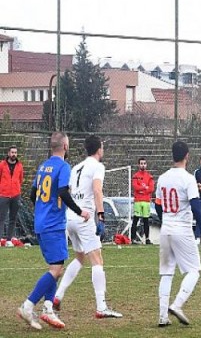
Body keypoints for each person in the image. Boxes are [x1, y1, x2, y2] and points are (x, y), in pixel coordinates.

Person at [18, 132, 90, 330]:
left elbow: (33, 194)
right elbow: (62, 192)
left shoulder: (43, 167)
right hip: (53, 224)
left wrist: (43, 209)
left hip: (41, 223)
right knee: (56, 269)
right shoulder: (63, 167)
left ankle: (48, 308)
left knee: (56, 268)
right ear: (65, 147)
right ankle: (29, 304)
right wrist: (80, 211)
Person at [54, 135, 123, 319]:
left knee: (79, 257)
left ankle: (58, 295)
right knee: (97, 260)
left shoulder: (76, 167)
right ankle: (101, 307)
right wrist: (101, 215)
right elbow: (97, 190)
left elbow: (67, 192)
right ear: (99, 148)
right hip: (84, 218)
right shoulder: (97, 166)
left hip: (70, 216)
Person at [155, 141, 201, 327]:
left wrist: (166, 219)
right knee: (194, 270)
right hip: (182, 229)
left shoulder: (162, 178)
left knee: (166, 273)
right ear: (187, 156)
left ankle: (162, 316)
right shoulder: (188, 179)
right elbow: (196, 207)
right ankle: (177, 304)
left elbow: (157, 204)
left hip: (166, 229)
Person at [0, 145, 23, 240]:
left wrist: (16, 189)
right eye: (12, 152)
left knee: (13, 219)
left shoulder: (20, 165)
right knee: (1, 218)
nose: (14, 154)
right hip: (3, 195)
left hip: (15, 195)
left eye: (15, 152)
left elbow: (20, 179)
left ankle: (9, 239)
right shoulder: (2, 165)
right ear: (8, 153)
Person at [132, 157, 154, 244]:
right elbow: (135, 187)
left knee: (146, 221)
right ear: (139, 164)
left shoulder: (149, 176)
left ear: (146, 164)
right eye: (141, 163)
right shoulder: (135, 176)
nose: (143, 165)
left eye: (144, 163)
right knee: (135, 219)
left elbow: (151, 189)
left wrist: (142, 189)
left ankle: (147, 239)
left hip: (146, 201)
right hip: (138, 201)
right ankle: (133, 239)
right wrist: (144, 188)